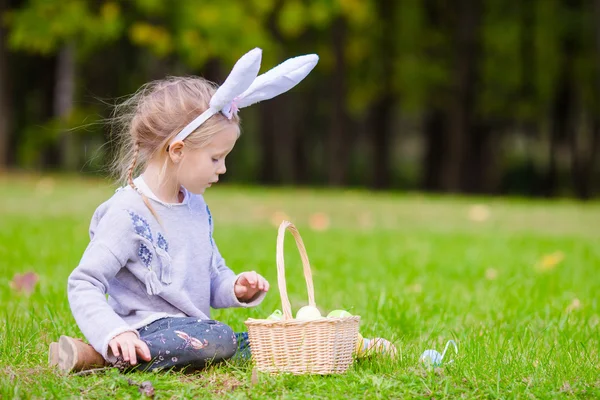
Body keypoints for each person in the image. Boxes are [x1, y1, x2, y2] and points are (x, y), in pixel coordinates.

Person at [48, 48, 320, 374]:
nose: (222, 169)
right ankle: (111, 354)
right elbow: (84, 282)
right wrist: (114, 332)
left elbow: (211, 276)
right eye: (215, 158)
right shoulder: (127, 214)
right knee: (221, 338)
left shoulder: (195, 207)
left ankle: (92, 357)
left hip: (196, 332)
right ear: (177, 150)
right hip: (147, 331)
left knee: (260, 340)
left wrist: (235, 287)